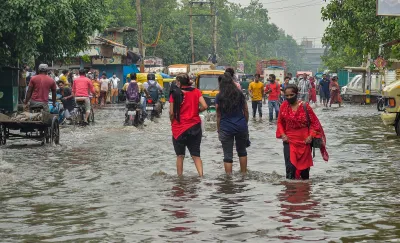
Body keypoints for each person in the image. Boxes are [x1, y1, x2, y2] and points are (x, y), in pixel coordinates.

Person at [276, 84, 329, 180]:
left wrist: (311, 136)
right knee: (290, 169)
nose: (288, 97)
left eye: (291, 95)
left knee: (305, 173)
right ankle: (290, 192)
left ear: (296, 94)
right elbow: (279, 122)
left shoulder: (305, 106)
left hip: (305, 141)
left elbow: (314, 124)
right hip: (289, 140)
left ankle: (304, 192)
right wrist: (283, 135)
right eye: (286, 96)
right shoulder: (284, 106)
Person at [169, 73, 208, 177]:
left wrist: (172, 122)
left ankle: (180, 179)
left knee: (180, 156)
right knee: (196, 155)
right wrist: (197, 111)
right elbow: (204, 106)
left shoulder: (174, 94)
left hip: (179, 128)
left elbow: (172, 113)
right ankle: (201, 176)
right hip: (194, 127)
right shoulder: (196, 92)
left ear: (179, 82)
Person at [216, 73, 249, 174]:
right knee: (242, 151)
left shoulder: (219, 96)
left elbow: (218, 115)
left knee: (227, 154)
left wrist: (218, 129)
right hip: (241, 125)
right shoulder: (239, 94)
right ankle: (243, 174)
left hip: (226, 127)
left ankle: (228, 179)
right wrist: (245, 123)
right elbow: (246, 110)